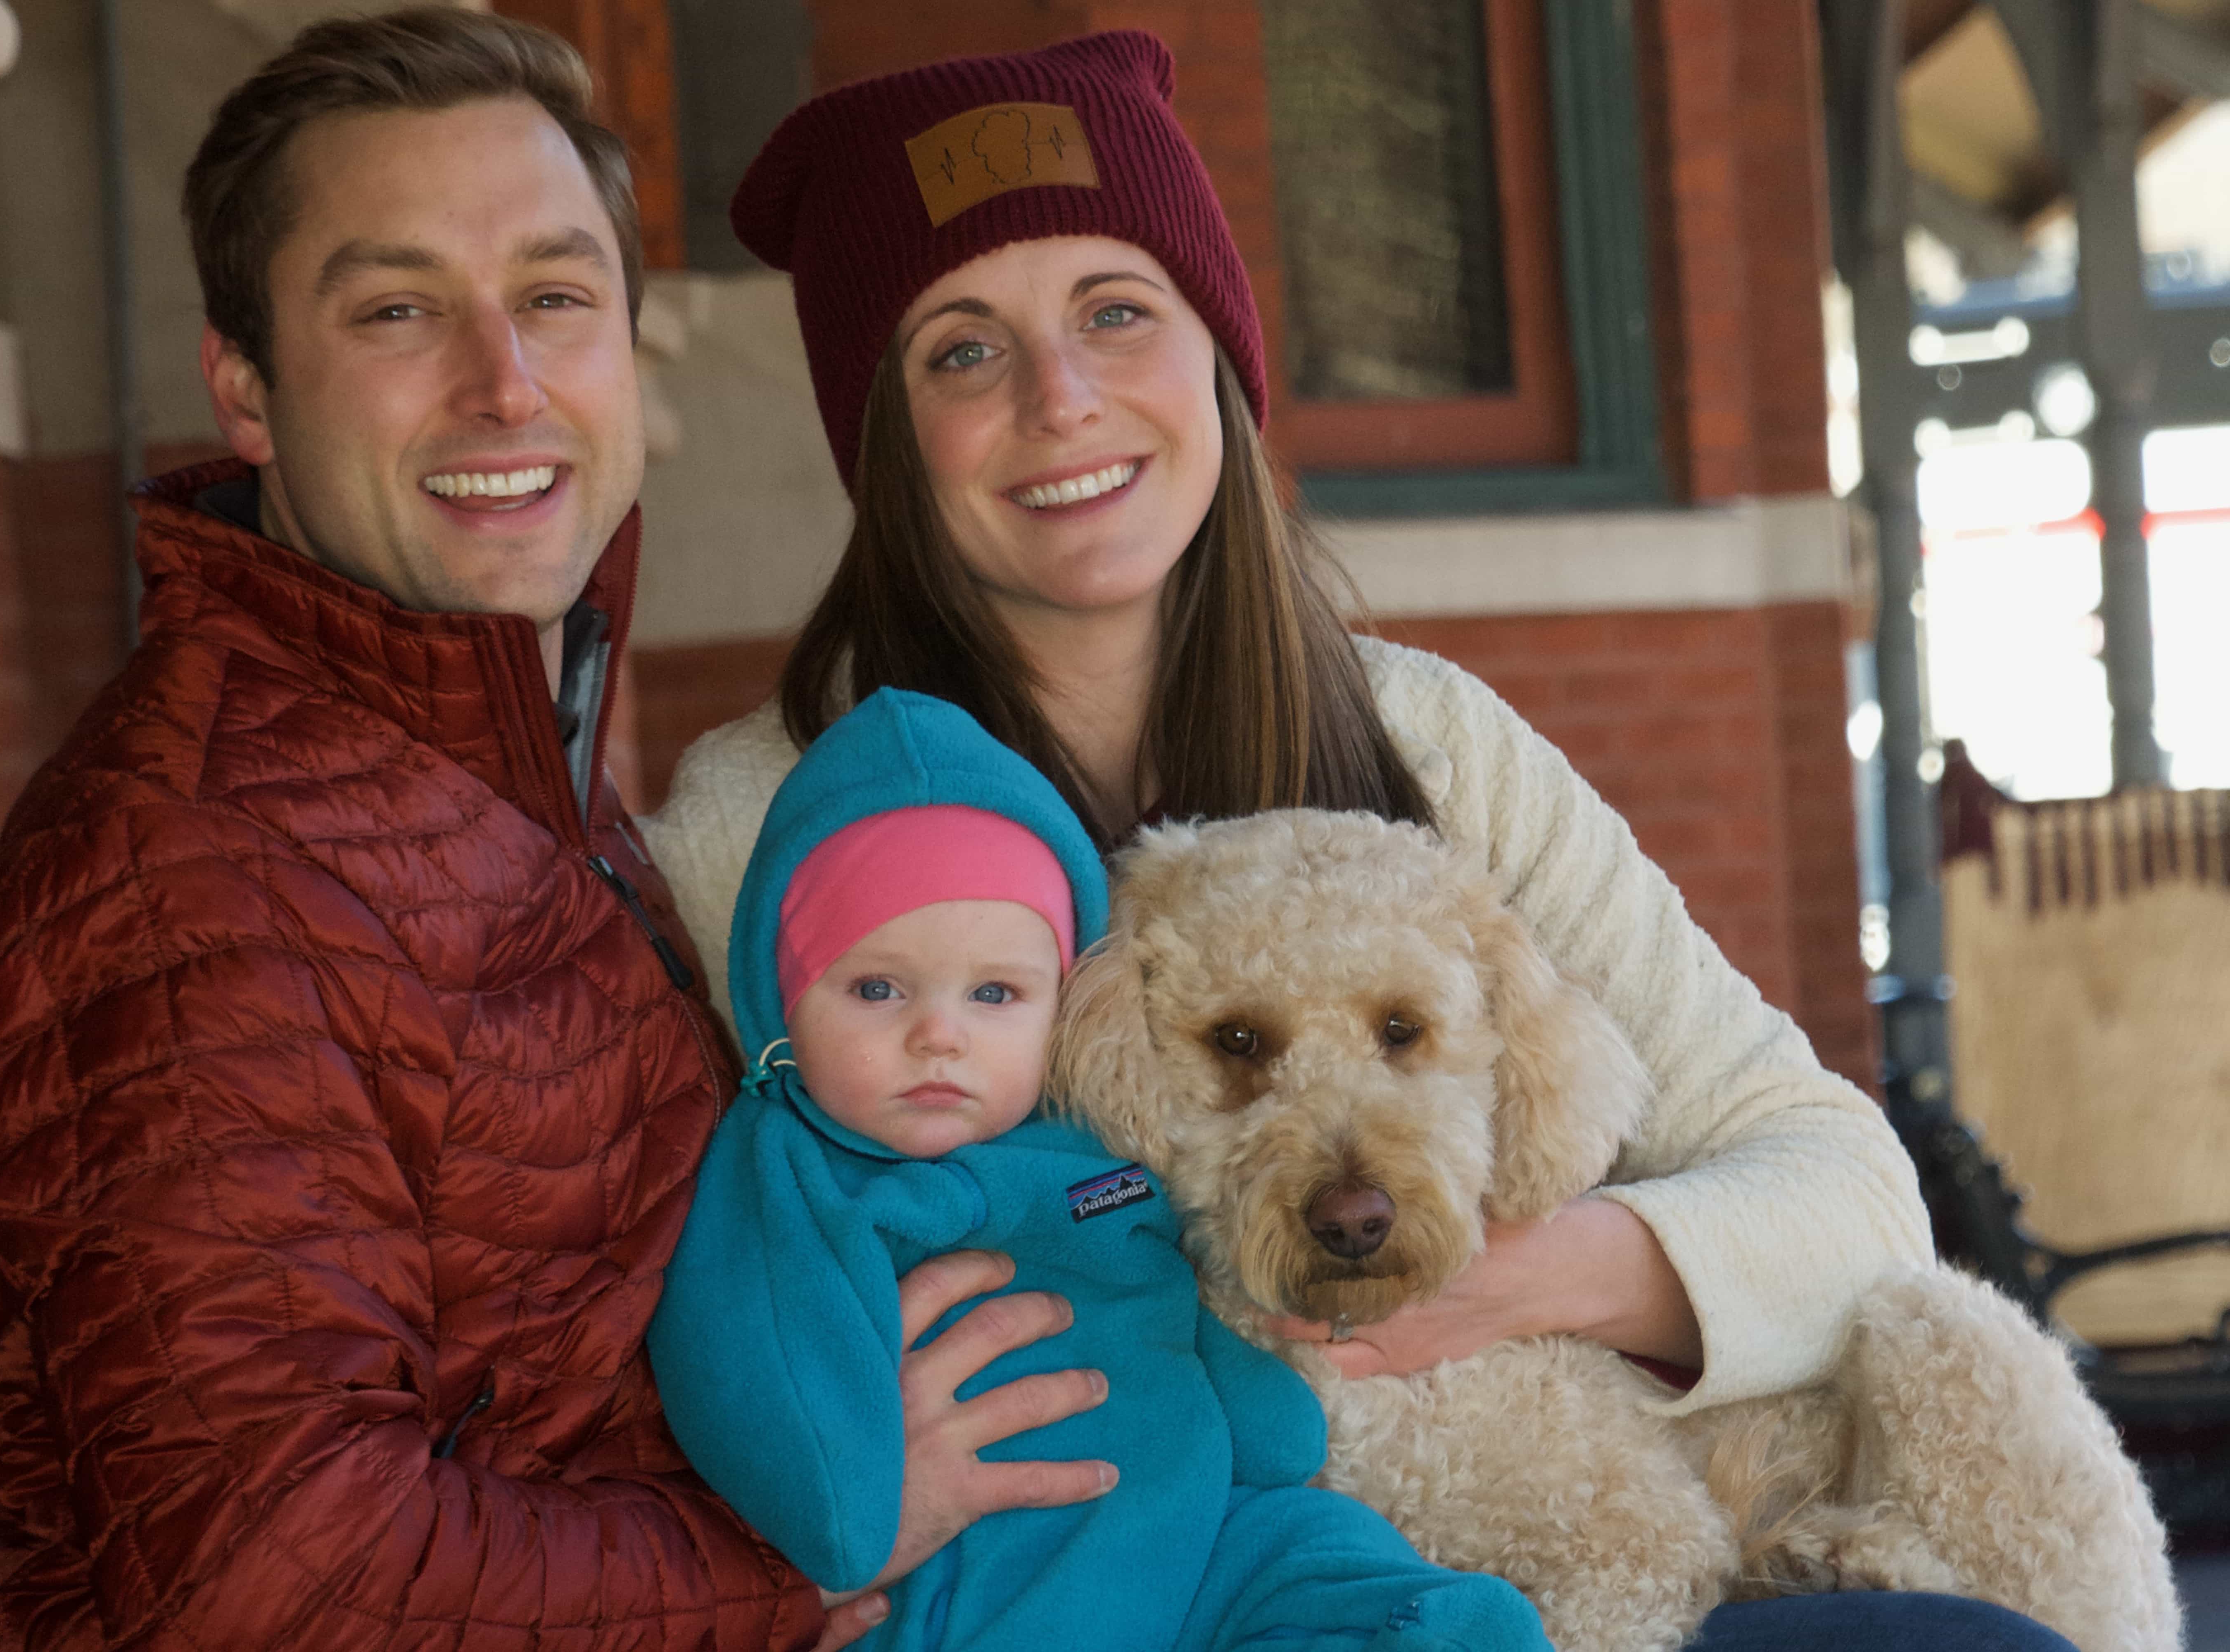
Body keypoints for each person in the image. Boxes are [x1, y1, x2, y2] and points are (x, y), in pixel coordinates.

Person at [639, 30, 2078, 1652]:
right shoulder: (763, 823)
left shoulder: (1433, 744)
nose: (1062, 397)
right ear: (885, 436)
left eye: (1120, 311)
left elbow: (1848, 1186)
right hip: (1098, 1592)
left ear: (1219, 358)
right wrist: (801, 1543)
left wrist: (1539, 1265)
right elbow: (661, 1297)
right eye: (961, 352)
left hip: (1547, 1567)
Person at [0, 12, 1110, 1650]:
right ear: (245, 387)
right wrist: (806, 1561)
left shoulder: (486, 777)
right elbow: (275, 1576)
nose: (503, 382)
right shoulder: (201, 876)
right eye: (399, 310)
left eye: (554, 298)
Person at [646, 687, 1551, 1652]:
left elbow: (1160, 1295)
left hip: (1205, 1519)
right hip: (1003, 1554)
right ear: (785, 1004)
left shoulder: (1095, 1154)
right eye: (877, 987)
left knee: (1369, 1575)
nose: (939, 1036)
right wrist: (841, 1515)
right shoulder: (794, 1172)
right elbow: (750, 1357)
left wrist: (1266, 1418)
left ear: (1059, 1007)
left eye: (995, 992)